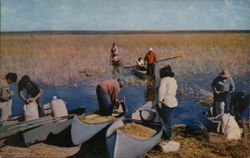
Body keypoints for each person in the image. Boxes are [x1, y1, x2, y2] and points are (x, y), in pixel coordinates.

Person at [156, 65, 178, 140]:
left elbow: (161, 92)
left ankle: (167, 137)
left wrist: (159, 102)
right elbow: (174, 91)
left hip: (166, 102)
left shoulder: (164, 80)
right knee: (167, 118)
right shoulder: (173, 80)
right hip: (174, 102)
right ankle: (166, 133)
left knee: (165, 121)